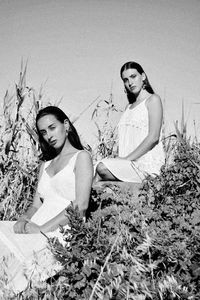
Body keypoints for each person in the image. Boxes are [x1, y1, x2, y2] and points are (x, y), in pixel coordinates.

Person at [0, 106, 93, 294]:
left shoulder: (81, 157)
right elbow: (36, 204)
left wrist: (42, 230)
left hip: (60, 232)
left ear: (65, 125)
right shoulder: (46, 164)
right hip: (35, 225)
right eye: (43, 132)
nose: (48, 135)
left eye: (52, 127)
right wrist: (24, 219)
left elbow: (80, 205)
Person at [95, 61, 165, 183]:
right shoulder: (128, 107)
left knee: (101, 167)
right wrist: (122, 161)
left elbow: (153, 137)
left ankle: (77, 200)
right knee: (92, 168)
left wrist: (126, 159)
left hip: (145, 167)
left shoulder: (153, 100)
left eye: (133, 76)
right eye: (125, 80)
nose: (130, 83)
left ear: (143, 76)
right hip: (128, 165)